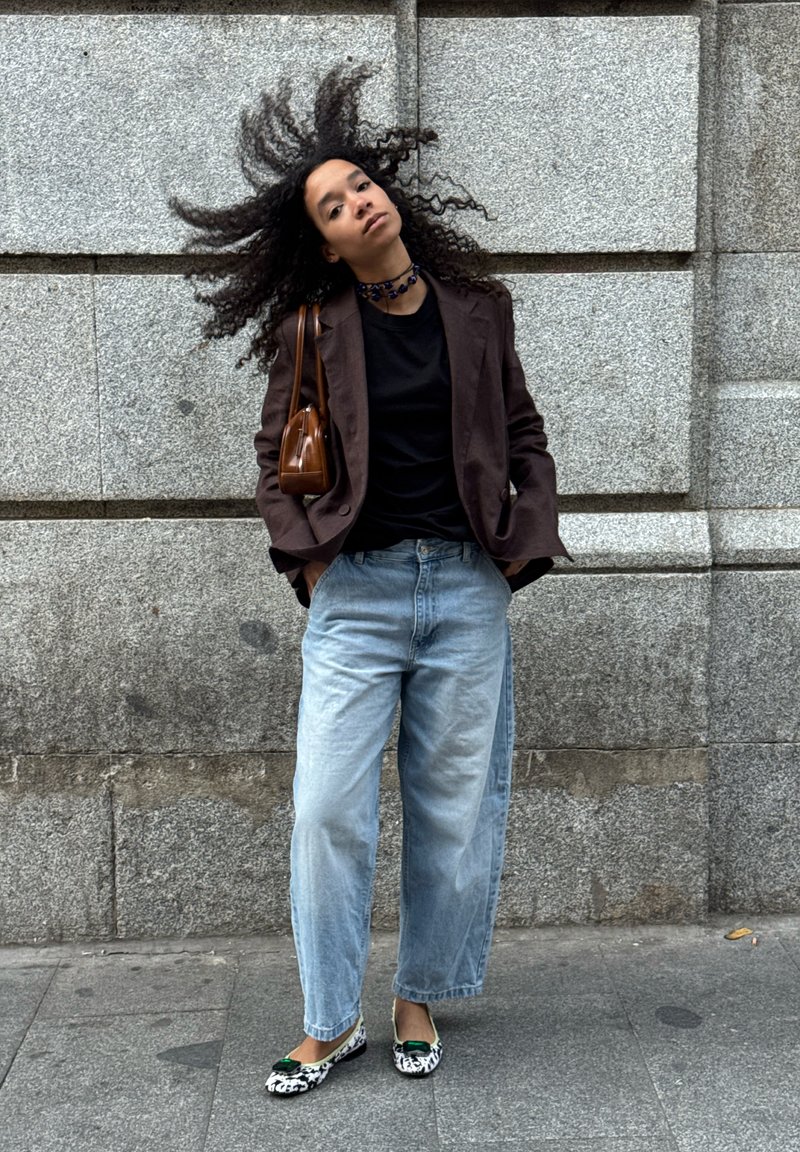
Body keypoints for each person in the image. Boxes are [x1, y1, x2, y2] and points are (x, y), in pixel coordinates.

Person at [171, 64, 569, 1097]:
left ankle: (417, 995)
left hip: (466, 591)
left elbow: (523, 434)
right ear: (326, 241)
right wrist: (310, 563)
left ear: (390, 196)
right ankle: (326, 1019)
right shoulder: (312, 327)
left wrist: (522, 541)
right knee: (325, 808)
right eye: (335, 205)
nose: (359, 201)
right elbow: (275, 462)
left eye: (361, 184)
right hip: (358, 594)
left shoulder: (478, 310)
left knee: (453, 809)